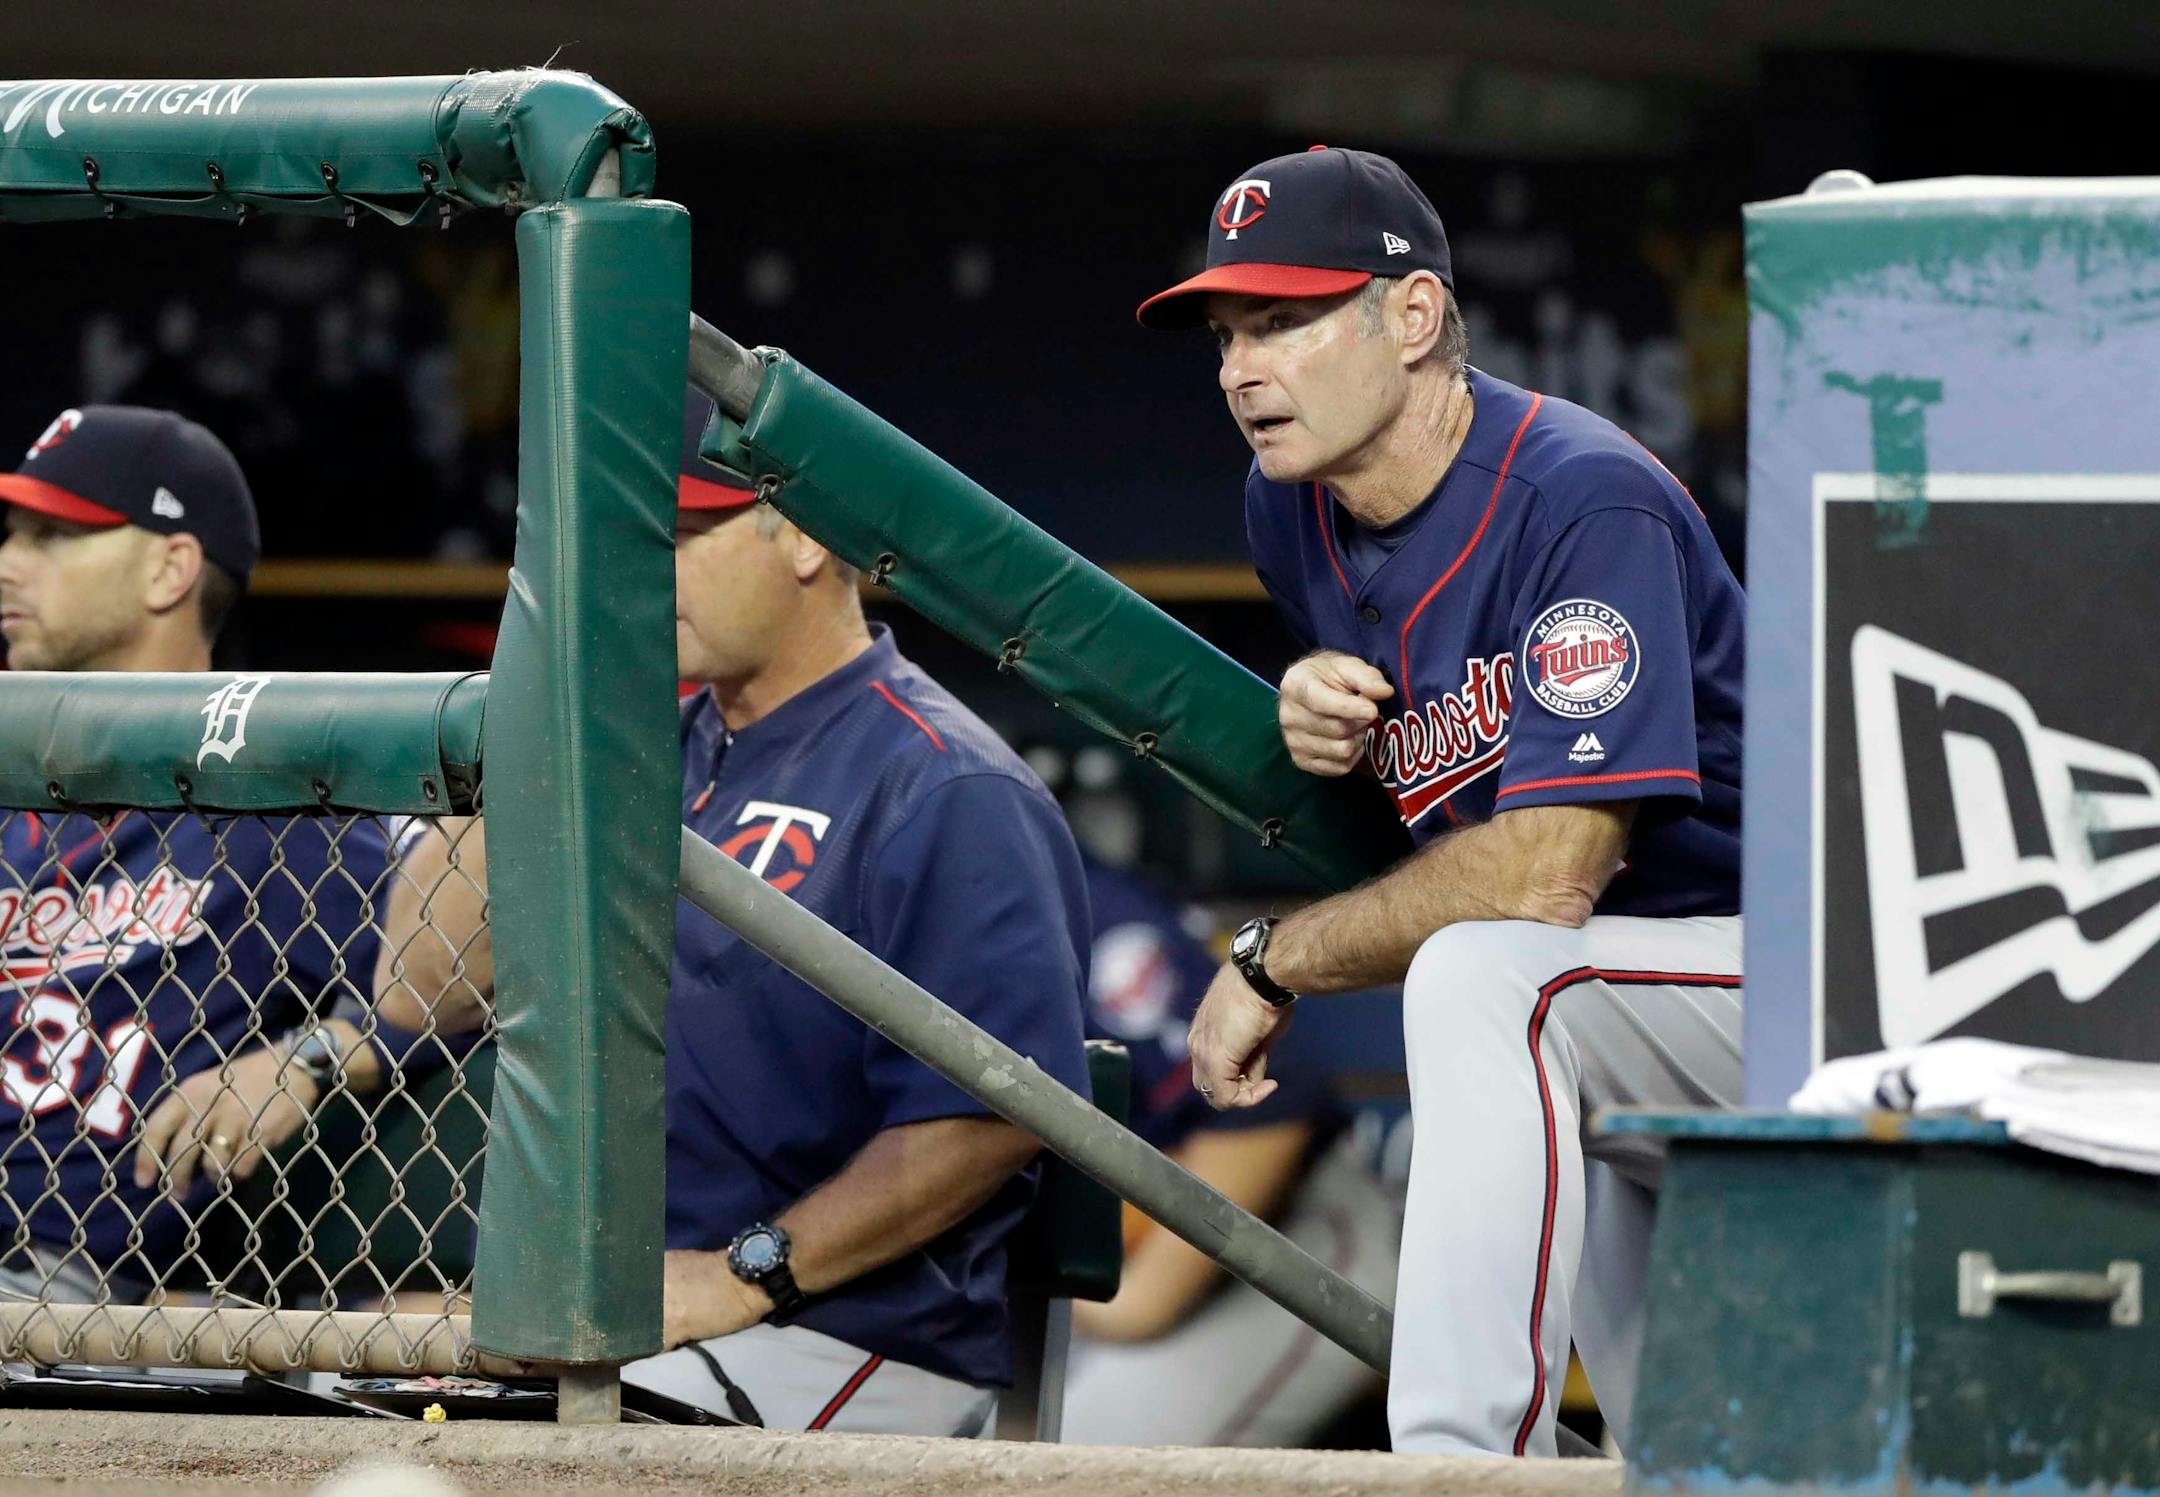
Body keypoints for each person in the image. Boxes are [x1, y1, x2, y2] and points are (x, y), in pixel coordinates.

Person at [1137, 147, 1745, 1457]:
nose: (1244, 367)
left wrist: (1275, 954)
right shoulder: (1287, 508)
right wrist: (1316, 698)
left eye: (1287, 320)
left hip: (1779, 981)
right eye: (1228, 331)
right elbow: (1434, 709)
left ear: (1412, 317)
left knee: (1488, 977)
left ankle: (1463, 1468)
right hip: (1608, 1016)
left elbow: (1543, 874)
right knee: (1694, 1454)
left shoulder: (1585, 500)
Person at [376, 389, 1092, 1436]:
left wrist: (749, 1274)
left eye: (674, 534)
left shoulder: (941, 784)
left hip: (844, 1336)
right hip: (615, 1326)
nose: (635, 570)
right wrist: (553, 693)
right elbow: (417, 986)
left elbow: (989, 1117)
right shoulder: (635, 739)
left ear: (803, 536)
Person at [0, 405, 396, 1304]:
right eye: (13, 531)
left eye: (55, 534)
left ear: (171, 567)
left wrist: (311, 1054)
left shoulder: (277, 812)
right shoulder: (11, 782)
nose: (8, 561)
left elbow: (459, 978)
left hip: (85, 1286)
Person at [1058, 843, 1402, 1448]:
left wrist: (1137, 1303)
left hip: (1282, 1235)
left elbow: (1269, 1102)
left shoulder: (1065, 896)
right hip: (1091, 1271)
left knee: (1082, 1459)